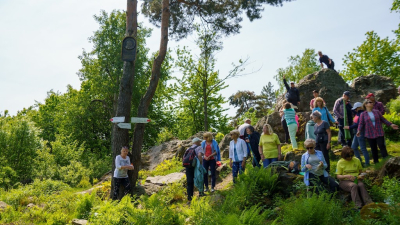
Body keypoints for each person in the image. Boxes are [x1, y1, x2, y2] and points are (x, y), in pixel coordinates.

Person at [344, 102, 370, 167]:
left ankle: (367, 163)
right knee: (354, 147)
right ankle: (360, 161)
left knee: (363, 148)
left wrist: (349, 127)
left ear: (359, 108)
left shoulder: (362, 113)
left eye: (356, 108)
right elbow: (351, 110)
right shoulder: (357, 113)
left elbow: (358, 124)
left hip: (361, 132)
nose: (355, 110)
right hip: (356, 133)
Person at [185, 138, 204, 204]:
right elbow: (199, 155)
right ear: (197, 142)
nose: (200, 142)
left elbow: (183, 157)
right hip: (195, 166)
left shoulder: (188, 148)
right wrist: (201, 164)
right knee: (200, 178)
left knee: (189, 182)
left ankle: (190, 199)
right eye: (200, 141)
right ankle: (201, 193)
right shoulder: (199, 147)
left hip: (188, 166)